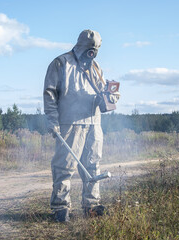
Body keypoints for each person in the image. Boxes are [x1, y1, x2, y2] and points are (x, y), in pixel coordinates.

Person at [43, 29, 120, 222]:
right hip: (70, 123)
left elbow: (102, 94)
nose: (91, 53)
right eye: (89, 49)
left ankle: (91, 205)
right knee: (64, 167)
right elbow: (50, 93)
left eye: (95, 50)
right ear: (80, 45)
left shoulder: (96, 68)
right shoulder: (61, 63)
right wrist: (52, 120)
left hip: (94, 123)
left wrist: (110, 97)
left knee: (92, 165)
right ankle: (60, 208)